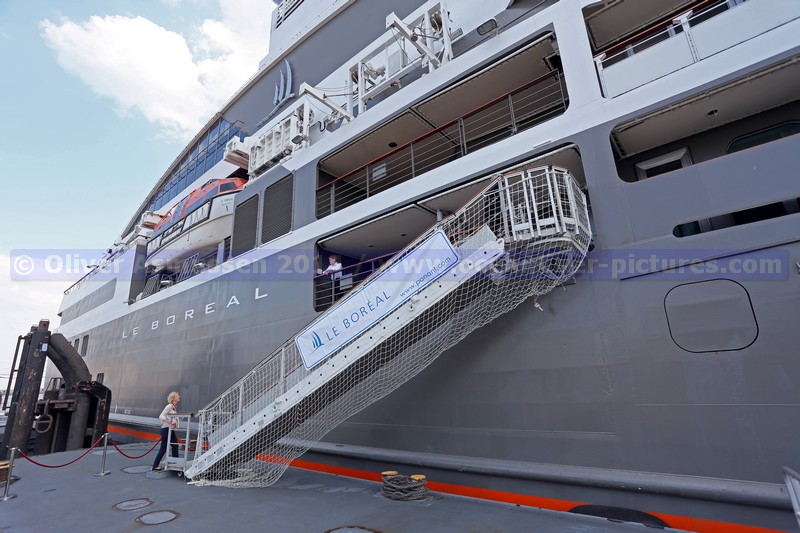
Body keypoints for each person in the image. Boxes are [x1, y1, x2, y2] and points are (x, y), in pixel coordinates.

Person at [152, 391, 181, 471]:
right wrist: (169, 422)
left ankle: (176, 463)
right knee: (164, 448)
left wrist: (174, 423)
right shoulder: (169, 406)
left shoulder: (173, 407)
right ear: (173, 398)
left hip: (170, 430)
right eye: (177, 395)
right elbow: (161, 416)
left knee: (174, 446)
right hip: (166, 430)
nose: (179, 396)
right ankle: (155, 466)